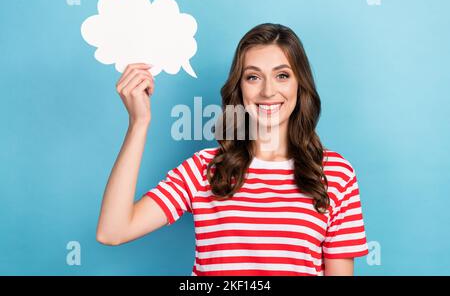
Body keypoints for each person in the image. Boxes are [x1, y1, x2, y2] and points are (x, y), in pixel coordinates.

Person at [96, 23, 369, 276]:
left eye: (282, 75)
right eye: (253, 77)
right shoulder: (204, 169)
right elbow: (113, 231)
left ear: (300, 85)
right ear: (239, 88)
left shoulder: (334, 173)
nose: (268, 91)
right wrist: (139, 123)